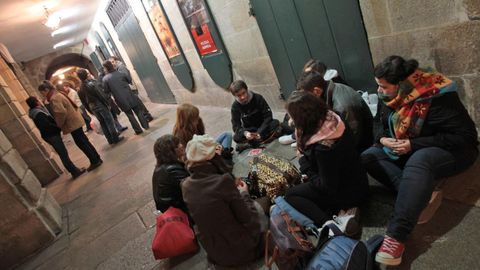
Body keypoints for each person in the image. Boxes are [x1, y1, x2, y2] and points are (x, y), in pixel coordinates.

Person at [361, 56, 479, 266]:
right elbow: (378, 122)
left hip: (453, 151)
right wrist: (382, 138)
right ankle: (420, 195)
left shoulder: (436, 97)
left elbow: (466, 137)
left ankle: (396, 237)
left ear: (401, 85)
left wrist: (413, 145)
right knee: (368, 156)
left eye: (384, 86)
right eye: (378, 85)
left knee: (420, 160)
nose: (379, 91)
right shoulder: (390, 97)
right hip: (406, 148)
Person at [284, 91, 369, 237]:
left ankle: (329, 224)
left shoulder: (324, 148)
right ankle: (342, 212)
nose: (291, 120)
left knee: (291, 196)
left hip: (347, 191)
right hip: (358, 179)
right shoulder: (333, 118)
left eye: (292, 116)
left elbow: (327, 186)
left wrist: (303, 162)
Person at [181, 134, 266, 267]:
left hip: (216, 254)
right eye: (217, 150)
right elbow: (248, 218)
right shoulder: (222, 181)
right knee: (259, 208)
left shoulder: (186, 185)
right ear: (212, 157)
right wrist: (244, 194)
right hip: (242, 250)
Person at [297, 71, 373, 153]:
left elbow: (353, 139)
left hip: (362, 147)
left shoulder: (342, 106)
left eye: (307, 96)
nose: (307, 100)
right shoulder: (331, 89)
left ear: (316, 91)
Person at [37, 81, 103, 172]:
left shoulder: (54, 98)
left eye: (42, 92)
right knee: (84, 141)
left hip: (72, 123)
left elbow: (60, 112)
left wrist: (58, 124)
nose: (42, 95)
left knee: (82, 143)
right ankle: (97, 158)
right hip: (75, 121)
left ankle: (94, 161)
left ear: (46, 89)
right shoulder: (58, 93)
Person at [26, 96, 86, 179]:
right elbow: (46, 125)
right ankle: (74, 171)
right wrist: (58, 127)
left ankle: (73, 170)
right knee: (63, 154)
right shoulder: (38, 113)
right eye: (38, 100)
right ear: (36, 102)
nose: (40, 100)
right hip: (51, 135)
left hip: (50, 135)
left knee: (63, 153)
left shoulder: (37, 111)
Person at [229, 80, 281, 152]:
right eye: (239, 95)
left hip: (263, 126)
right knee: (236, 137)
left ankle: (252, 143)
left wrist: (260, 132)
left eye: (244, 93)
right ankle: (261, 139)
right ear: (235, 96)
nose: (243, 97)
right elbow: (236, 126)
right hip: (250, 130)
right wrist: (245, 133)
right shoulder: (235, 106)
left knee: (275, 123)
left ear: (247, 89)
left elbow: (268, 116)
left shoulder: (258, 98)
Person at [76, 68, 123, 145]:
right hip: (99, 104)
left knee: (102, 123)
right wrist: (106, 103)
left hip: (92, 107)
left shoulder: (80, 89)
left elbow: (84, 102)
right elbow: (99, 95)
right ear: (85, 74)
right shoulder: (90, 84)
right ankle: (115, 138)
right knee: (109, 121)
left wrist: (90, 110)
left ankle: (110, 140)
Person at [102, 60, 149, 135]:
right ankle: (146, 126)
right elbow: (129, 80)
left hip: (120, 99)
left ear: (106, 68)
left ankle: (138, 130)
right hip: (130, 95)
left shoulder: (105, 79)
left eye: (104, 68)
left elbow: (106, 91)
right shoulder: (121, 73)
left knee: (130, 115)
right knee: (138, 111)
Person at [109, 56, 154, 122]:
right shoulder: (118, 68)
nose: (112, 63)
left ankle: (147, 116)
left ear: (116, 60)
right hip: (128, 89)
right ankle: (146, 115)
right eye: (111, 62)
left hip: (131, 88)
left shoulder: (121, 67)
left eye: (113, 61)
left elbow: (127, 77)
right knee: (138, 103)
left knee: (139, 103)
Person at [152, 135, 189, 213]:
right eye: (177, 145)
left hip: (170, 209)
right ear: (171, 151)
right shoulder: (172, 170)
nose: (181, 145)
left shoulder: (161, 168)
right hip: (180, 212)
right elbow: (192, 187)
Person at [97, 69, 128, 133]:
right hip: (107, 99)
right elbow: (104, 90)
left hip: (108, 99)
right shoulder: (101, 78)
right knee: (112, 115)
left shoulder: (100, 78)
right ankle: (117, 129)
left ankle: (119, 127)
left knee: (113, 114)